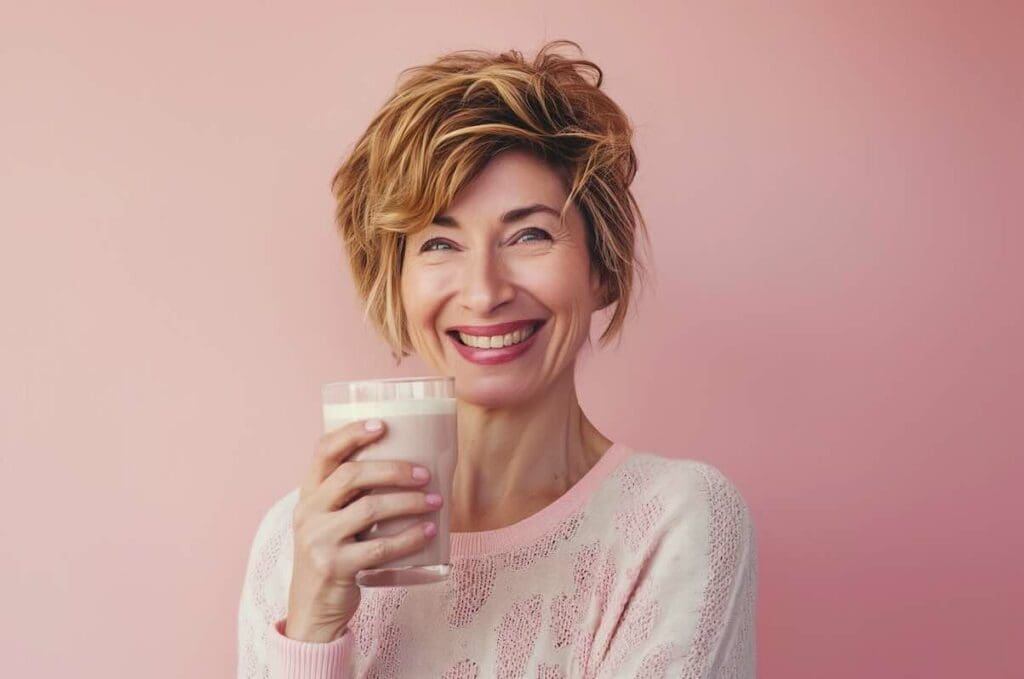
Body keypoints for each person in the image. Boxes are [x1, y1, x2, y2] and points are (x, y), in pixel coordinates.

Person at [237, 40, 757, 678]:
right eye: (439, 242)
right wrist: (313, 626)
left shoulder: (676, 521)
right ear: (395, 287)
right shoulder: (298, 541)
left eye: (529, 234)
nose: (484, 291)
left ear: (602, 270)